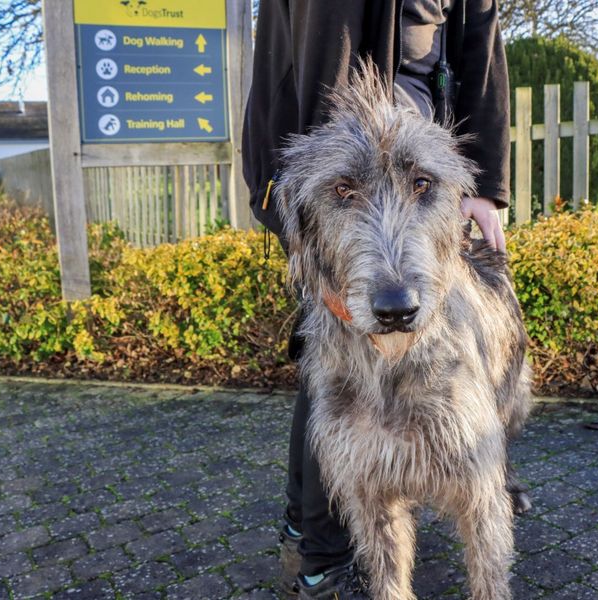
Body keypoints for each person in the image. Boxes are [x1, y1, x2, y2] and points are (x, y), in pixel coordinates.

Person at [241, 1, 513, 597]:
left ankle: (489, 472)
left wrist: (484, 182)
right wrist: (273, 182)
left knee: (482, 425)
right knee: (331, 376)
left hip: (426, 134)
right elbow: (275, 52)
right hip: (312, 140)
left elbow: (480, 36)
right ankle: (315, 543)